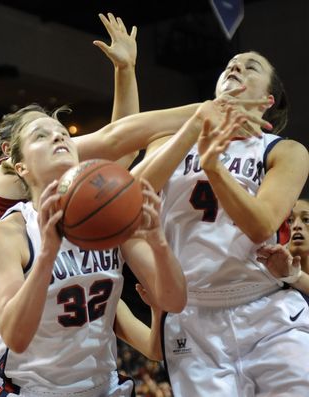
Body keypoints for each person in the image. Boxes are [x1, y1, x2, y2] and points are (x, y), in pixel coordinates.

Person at [0, 13, 146, 397]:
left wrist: (126, 70)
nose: (57, 138)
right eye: (41, 132)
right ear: (13, 154)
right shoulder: (4, 177)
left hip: (23, 358)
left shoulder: (55, 196)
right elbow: (114, 142)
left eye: (57, 131)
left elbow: (119, 157)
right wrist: (202, 115)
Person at [134, 51, 309, 395]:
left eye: (251, 66)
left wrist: (214, 167)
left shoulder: (283, 151)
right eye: (229, 64)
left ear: (267, 100)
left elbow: (261, 225)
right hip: (193, 314)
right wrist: (194, 129)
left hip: (264, 306)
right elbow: (127, 196)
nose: (235, 67)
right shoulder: (173, 141)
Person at [0, 108, 187, 396]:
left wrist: (158, 243)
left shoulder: (111, 220)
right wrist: (46, 256)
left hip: (103, 387)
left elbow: (175, 300)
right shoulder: (6, 235)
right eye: (41, 135)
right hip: (35, 390)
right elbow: (16, 337)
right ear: (20, 167)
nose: (57, 137)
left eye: (63, 133)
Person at [257, 198, 309, 304]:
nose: (297, 226)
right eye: (289, 220)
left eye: (306, 219)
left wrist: (296, 277)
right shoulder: (264, 267)